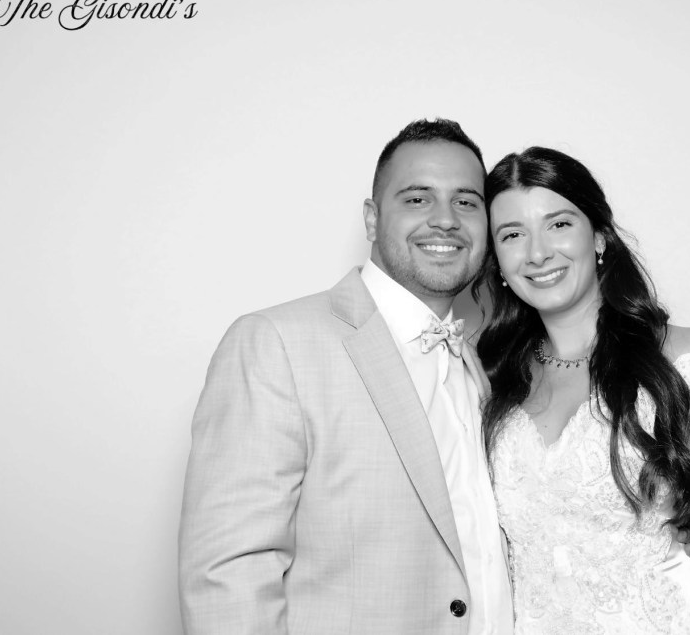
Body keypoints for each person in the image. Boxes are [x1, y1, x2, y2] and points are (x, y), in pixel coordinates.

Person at [178, 119, 514, 634]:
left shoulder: (483, 360)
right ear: (372, 220)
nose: (445, 220)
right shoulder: (277, 342)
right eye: (417, 198)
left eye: (466, 202)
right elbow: (227, 574)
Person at [473, 147, 690, 634]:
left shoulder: (689, 366)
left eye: (559, 224)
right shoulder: (490, 380)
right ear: (497, 261)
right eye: (512, 234)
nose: (537, 253)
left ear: (599, 236)